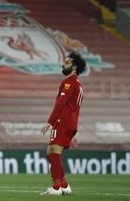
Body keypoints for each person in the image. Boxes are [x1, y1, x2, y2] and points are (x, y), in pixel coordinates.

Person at [40, 52, 86, 196]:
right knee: (50, 152)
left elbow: (61, 103)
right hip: (69, 123)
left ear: (74, 67)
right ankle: (64, 185)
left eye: (67, 62)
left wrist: (50, 121)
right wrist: (74, 130)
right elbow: (75, 108)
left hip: (62, 122)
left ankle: (56, 188)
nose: (63, 64)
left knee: (54, 151)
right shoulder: (78, 83)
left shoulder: (69, 82)